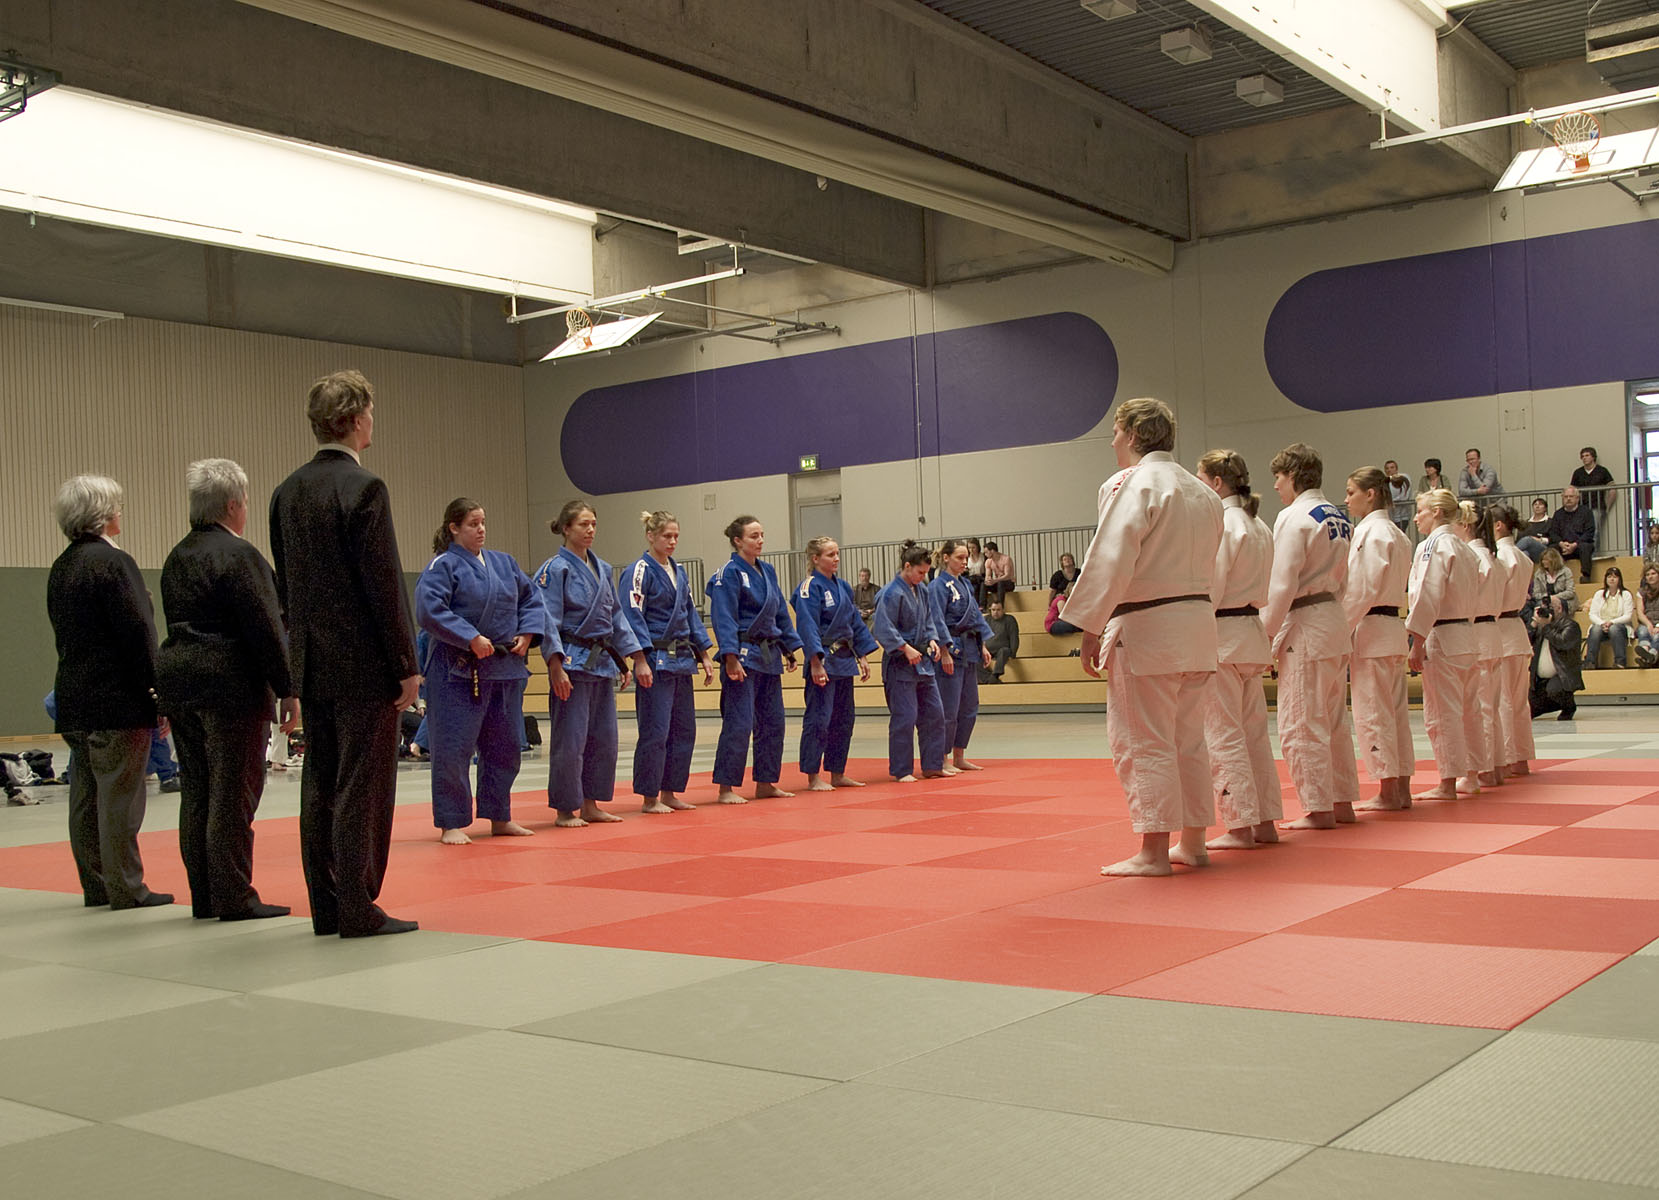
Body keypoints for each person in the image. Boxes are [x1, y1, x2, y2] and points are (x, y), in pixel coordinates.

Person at [270, 369, 421, 938]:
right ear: (357, 419)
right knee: (363, 784)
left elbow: (287, 587)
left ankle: (327, 903)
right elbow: (383, 586)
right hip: (363, 663)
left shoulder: (286, 491)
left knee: (321, 781)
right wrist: (405, 663)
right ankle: (359, 905)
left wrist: (295, 662)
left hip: (313, 660)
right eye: (372, 414)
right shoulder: (364, 489)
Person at [1064, 397, 1223, 876]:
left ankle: (1154, 851)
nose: (1112, 441)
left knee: (1145, 741)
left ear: (1133, 434)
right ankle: (1194, 842)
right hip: (1198, 624)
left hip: (1149, 626)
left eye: (1115, 431)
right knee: (1189, 741)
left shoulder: (1135, 484)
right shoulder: (1203, 492)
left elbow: (1111, 557)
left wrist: (1091, 627)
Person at [157, 458, 297, 920]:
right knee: (233, 793)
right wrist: (288, 688)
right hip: (229, 682)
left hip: (181, 679)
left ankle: (206, 894)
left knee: (198, 790)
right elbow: (266, 628)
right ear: (235, 504)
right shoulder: (241, 556)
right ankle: (234, 895)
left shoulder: (177, 556)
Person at [47, 475, 174, 911]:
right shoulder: (114, 563)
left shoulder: (62, 566)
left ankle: (96, 882)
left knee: (86, 797)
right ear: (105, 515)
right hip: (117, 699)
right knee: (121, 796)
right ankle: (127, 886)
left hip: (75, 697)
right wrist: (158, 694)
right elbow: (138, 633)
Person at [415, 497, 542, 843]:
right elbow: (428, 610)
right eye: (473, 523)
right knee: (453, 748)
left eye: (483, 522)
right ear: (454, 528)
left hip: (503, 667)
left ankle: (499, 816)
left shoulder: (505, 563)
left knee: (505, 747)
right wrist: (469, 636)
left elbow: (532, 599)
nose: (481, 528)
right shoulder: (443, 565)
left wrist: (528, 633)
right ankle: (451, 822)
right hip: (457, 671)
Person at [1262, 442, 1360, 831]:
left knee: (1301, 720)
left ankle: (1318, 807)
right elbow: (1348, 579)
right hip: (1333, 618)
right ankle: (1341, 802)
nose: (1275, 486)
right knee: (1335, 720)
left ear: (1295, 476)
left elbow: (1282, 584)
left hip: (1305, 621)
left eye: (1279, 477)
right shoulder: (1337, 515)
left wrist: (1266, 637)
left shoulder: (1294, 516)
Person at [535, 500, 651, 826]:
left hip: (601, 664)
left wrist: (632, 658)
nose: (590, 530)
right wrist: (555, 665)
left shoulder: (602, 567)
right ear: (567, 528)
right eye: (583, 524)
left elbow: (615, 616)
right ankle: (565, 808)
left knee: (604, 739)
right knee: (570, 741)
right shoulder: (554, 569)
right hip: (571, 663)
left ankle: (591, 803)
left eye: (593, 524)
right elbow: (547, 620)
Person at [1196, 450, 1282, 847]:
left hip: (1224, 634)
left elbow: (1212, 585)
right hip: (1251, 630)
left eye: (1200, 477)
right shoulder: (1258, 523)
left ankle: (1239, 825)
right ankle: (1264, 822)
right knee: (1254, 735)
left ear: (1216, 482)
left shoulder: (1223, 524)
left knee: (1223, 733)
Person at [621, 510, 716, 812]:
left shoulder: (681, 571)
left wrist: (704, 654)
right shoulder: (638, 570)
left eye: (676, 536)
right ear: (651, 536)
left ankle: (670, 792)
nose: (673, 541)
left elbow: (690, 614)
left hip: (682, 659)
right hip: (655, 658)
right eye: (666, 536)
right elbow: (631, 615)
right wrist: (639, 658)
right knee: (655, 730)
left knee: (684, 729)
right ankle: (650, 796)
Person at [707, 515, 801, 804]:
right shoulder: (728, 574)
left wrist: (788, 647)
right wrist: (730, 656)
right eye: (753, 536)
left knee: (774, 722)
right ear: (737, 541)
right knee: (739, 722)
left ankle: (765, 782)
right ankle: (726, 787)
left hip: (768, 655)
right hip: (743, 656)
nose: (760, 540)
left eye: (761, 535)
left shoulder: (768, 571)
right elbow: (723, 617)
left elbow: (779, 612)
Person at [1342, 466, 1415, 812]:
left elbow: (1362, 588)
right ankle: (1401, 786)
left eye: (1351, 492)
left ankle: (1388, 790)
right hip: (1391, 627)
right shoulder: (1399, 535)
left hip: (1371, 628)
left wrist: (1339, 628)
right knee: (1396, 713)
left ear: (1370, 494)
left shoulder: (1370, 533)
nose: (1346, 499)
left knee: (1374, 713)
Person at [1404, 488, 1483, 801]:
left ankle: (1448, 781)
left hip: (1443, 635)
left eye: (1420, 511)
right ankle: (1472, 775)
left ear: (1436, 512)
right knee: (1470, 711)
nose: (1416, 517)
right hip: (1466, 633)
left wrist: (1416, 640)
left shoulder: (1433, 544)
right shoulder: (1465, 548)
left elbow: (1427, 594)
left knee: (1442, 712)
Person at [791, 536, 878, 791]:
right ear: (816, 559)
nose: (836, 558)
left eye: (837, 553)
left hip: (843, 659)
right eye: (830, 554)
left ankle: (837, 772)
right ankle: (812, 775)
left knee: (844, 719)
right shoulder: (809, 587)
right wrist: (815, 662)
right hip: (823, 660)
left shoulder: (843, 587)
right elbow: (806, 625)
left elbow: (854, 623)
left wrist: (862, 654)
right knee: (819, 719)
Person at [872, 541, 950, 782]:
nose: (923, 576)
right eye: (920, 572)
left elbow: (929, 621)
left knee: (934, 714)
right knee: (905, 717)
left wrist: (933, 640)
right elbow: (882, 628)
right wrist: (904, 648)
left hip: (923, 662)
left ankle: (932, 764)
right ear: (907, 566)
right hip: (900, 664)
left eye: (926, 572)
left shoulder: (923, 590)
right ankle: (902, 769)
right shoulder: (889, 593)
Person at [930, 539, 996, 773]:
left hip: (969, 647)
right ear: (946, 558)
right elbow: (936, 619)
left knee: (969, 705)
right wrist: (944, 650)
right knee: (949, 707)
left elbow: (977, 617)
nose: (964, 561)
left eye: (966, 557)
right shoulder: (937, 586)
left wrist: (983, 645)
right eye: (959, 557)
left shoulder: (966, 585)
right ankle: (942, 758)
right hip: (951, 648)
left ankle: (960, 755)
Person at [1452, 501, 1503, 789]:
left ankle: (1479, 770)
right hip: (1491, 632)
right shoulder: (1490, 556)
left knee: (1479, 707)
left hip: (1478, 632)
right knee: (1491, 707)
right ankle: (1494, 766)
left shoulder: (1473, 556)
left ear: (1466, 525)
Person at [1490, 504, 1536, 776]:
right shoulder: (1523, 556)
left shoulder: (1501, 557)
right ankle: (1521, 758)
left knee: (1504, 700)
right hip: (1517, 630)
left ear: (1498, 526)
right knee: (1519, 700)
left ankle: (1508, 758)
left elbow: (1494, 597)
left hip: (1502, 629)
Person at [1530, 595, 1583, 721]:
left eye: (1549, 608)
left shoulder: (1571, 625)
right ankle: (1551, 703)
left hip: (1562, 676)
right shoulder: (1541, 626)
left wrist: (1547, 626)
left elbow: (1562, 642)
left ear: (1559, 608)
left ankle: (1568, 706)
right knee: (1527, 710)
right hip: (1540, 681)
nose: (1546, 611)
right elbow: (1526, 641)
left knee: (1554, 691)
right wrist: (1533, 625)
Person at [1584, 565, 1635, 669]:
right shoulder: (1599, 594)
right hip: (1602, 625)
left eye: (1615, 577)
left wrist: (1611, 622)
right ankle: (1590, 662)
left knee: (1614, 628)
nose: (1612, 579)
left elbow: (1628, 616)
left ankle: (1620, 662)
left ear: (1619, 579)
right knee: (1595, 629)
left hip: (1619, 626)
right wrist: (1602, 623)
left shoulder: (1626, 594)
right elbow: (1592, 614)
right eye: (1609, 577)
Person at [1545, 486, 1596, 582]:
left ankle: (1586, 576)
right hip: (1563, 546)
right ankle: (1551, 578)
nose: (1568, 499)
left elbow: (1589, 532)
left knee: (1586, 547)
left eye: (1571, 496)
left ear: (1577, 498)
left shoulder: (1586, 512)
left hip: (1579, 545)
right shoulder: (1558, 514)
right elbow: (1553, 533)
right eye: (1566, 497)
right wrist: (1561, 543)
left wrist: (1575, 545)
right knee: (1551, 549)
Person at [1570, 446, 1615, 545]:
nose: (1584, 458)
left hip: (1596, 506)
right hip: (1581, 507)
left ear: (1593, 457)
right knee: (1579, 532)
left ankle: (1593, 555)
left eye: (1587, 455)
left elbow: (1612, 488)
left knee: (1594, 532)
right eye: (1582, 456)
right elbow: (1572, 490)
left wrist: (1607, 507)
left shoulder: (1602, 471)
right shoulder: (1578, 472)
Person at [1531, 547, 1579, 621]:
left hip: (1564, 600)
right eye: (1542, 560)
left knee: (1558, 605)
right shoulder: (1539, 574)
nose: (1543, 562)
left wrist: (1554, 598)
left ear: (1554, 560)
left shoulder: (1566, 571)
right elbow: (1536, 594)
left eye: (1546, 560)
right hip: (1545, 601)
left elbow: (1570, 592)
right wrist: (1548, 598)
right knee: (1539, 605)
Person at [981, 600, 1019, 683]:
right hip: (988, 650)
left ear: (1003, 610)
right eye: (993, 610)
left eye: (998, 610)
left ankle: (995, 675)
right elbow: (980, 635)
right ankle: (989, 679)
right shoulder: (986, 619)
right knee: (974, 655)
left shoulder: (1010, 619)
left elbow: (1014, 637)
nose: (995, 612)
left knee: (1004, 651)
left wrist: (1013, 653)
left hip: (1002, 650)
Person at [982, 540, 1016, 606]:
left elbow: (1007, 575)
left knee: (1001, 583)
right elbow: (987, 575)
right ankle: (982, 606)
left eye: (986, 552)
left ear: (992, 551)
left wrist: (995, 580)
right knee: (984, 584)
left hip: (1008, 583)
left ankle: (1000, 606)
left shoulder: (1006, 559)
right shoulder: (988, 561)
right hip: (998, 582)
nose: (985, 554)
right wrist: (988, 580)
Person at [1384, 460, 1413, 532]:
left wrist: (1392, 501)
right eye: (1387, 468)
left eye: (1392, 467)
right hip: (1390, 516)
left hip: (1403, 516)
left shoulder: (1404, 478)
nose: (1389, 470)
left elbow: (1405, 496)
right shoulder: (1385, 482)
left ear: (1396, 469)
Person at [1518, 497, 1550, 561]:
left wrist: (1539, 540)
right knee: (1525, 554)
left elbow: (1553, 538)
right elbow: (1519, 538)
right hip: (1528, 551)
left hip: (1543, 550)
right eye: (1535, 504)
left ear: (1545, 508)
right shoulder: (1526, 523)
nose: (1537, 506)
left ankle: (1511, 553)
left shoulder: (1550, 522)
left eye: (1540, 504)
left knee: (1528, 540)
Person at [964, 537, 987, 604]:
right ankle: (975, 605)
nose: (971, 550)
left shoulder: (983, 556)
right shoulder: (966, 558)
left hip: (981, 577)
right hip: (971, 577)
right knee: (973, 586)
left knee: (982, 585)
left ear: (977, 547)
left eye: (973, 547)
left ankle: (982, 605)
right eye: (969, 548)